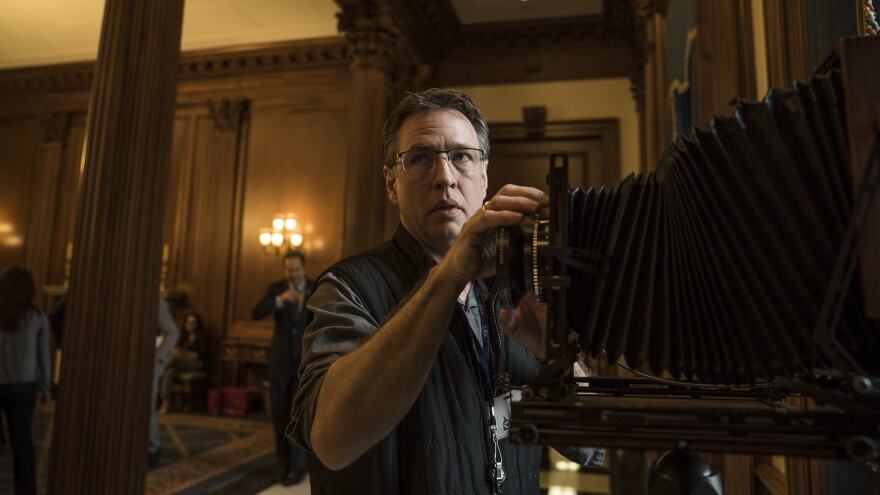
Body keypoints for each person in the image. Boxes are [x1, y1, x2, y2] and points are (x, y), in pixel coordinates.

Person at [289, 88, 603, 494]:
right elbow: (332, 443)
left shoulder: (520, 289)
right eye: (419, 158)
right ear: (391, 183)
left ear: (484, 175)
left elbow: (590, 443)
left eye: (461, 156)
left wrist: (555, 355)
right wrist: (449, 275)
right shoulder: (348, 287)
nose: (445, 177)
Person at [252, 250, 314, 486]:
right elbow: (256, 313)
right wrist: (278, 301)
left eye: (297, 269)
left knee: (297, 415)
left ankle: (298, 467)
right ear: (284, 270)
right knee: (279, 415)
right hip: (279, 362)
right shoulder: (276, 288)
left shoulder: (315, 286)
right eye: (289, 270)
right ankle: (283, 463)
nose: (293, 274)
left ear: (304, 268)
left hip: (303, 363)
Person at [0, 265, 51, 495]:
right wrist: (45, 386)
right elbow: (44, 355)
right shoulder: (37, 317)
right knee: (22, 444)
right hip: (24, 385)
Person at [158, 310, 207, 415]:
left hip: (196, 363)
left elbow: (199, 355)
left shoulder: (203, 337)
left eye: (193, 323)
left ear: (197, 324)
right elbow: (176, 348)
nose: (190, 325)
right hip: (180, 362)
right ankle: (165, 403)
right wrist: (176, 350)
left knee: (174, 359)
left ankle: (158, 369)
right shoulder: (183, 336)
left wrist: (183, 353)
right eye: (188, 323)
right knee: (170, 372)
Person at [148, 298, 179, 468]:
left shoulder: (157, 302)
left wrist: (159, 356)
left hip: (149, 365)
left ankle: (153, 447)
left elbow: (172, 333)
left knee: (145, 407)